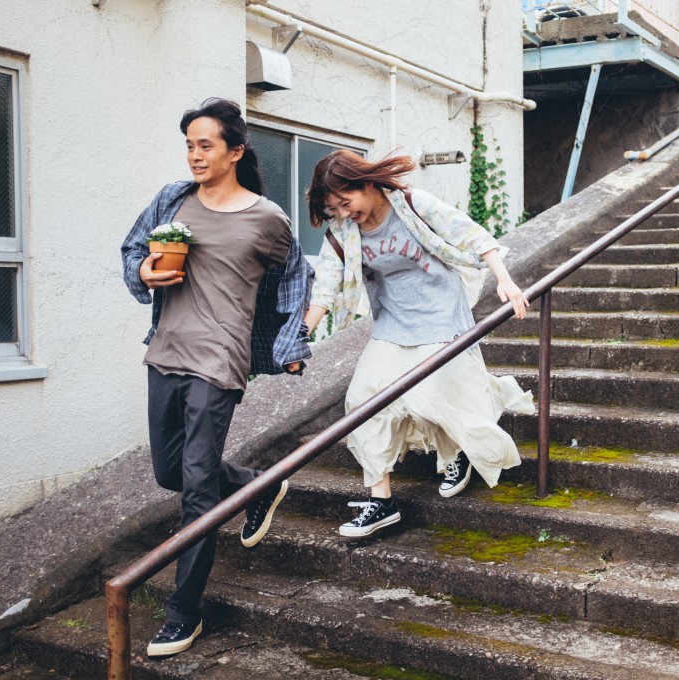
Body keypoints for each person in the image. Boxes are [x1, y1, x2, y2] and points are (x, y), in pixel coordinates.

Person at [120, 98, 313, 657]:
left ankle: (185, 613)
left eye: (205, 145)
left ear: (235, 151)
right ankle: (260, 483)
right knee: (168, 472)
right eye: (189, 145)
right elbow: (134, 248)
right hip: (165, 352)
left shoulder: (266, 218)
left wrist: (287, 342)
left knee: (198, 487)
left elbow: (297, 277)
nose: (195, 155)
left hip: (220, 361)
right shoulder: (173, 200)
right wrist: (144, 270)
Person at [299, 150, 534, 538]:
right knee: (362, 401)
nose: (343, 213)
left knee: (434, 400)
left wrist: (505, 281)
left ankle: (458, 452)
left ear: (368, 183)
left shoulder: (411, 204)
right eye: (333, 209)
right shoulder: (342, 232)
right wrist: (302, 334)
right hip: (394, 323)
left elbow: (470, 233)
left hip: (443, 314)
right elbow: (325, 288)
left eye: (346, 202)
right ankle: (381, 501)